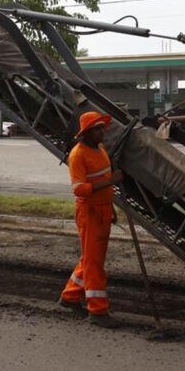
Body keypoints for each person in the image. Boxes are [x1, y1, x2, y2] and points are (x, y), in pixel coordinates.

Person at [58, 110, 124, 328]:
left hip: (103, 210)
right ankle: (97, 311)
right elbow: (79, 190)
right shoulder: (78, 155)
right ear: (86, 133)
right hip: (89, 213)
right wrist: (111, 181)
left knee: (90, 259)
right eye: (97, 129)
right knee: (94, 263)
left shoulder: (100, 149)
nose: (102, 131)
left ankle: (69, 298)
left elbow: (104, 180)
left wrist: (111, 208)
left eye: (102, 127)